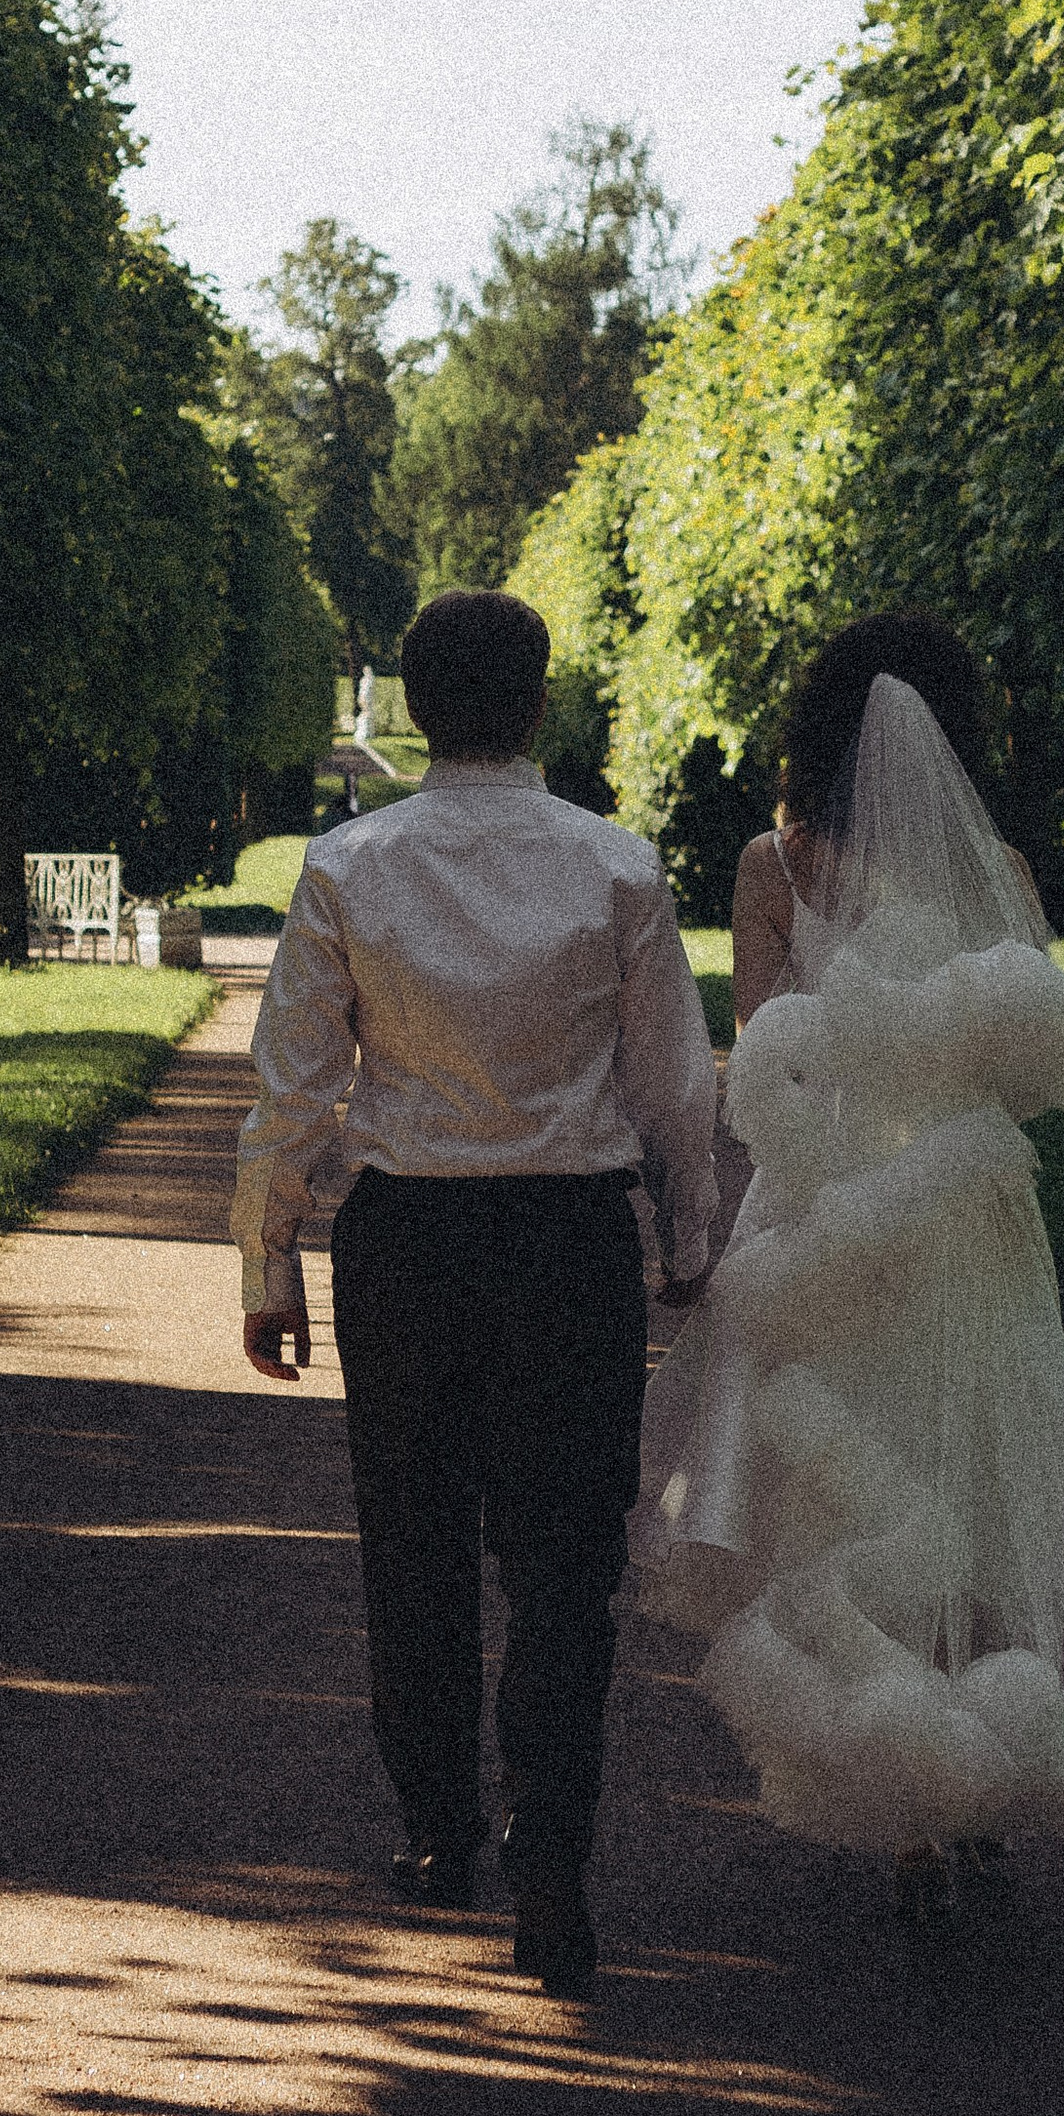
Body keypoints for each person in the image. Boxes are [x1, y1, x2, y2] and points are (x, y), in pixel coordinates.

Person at [237, 585, 719, 1998]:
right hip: (568, 1242)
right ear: (543, 700)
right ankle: (552, 1850)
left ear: (408, 704)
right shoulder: (618, 868)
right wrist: (689, 1232)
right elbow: (673, 1084)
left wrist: (268, 1256)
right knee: (569, 1561)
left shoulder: (348, 867)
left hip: (408, 1244)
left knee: (415, 1542)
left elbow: (295, 1085)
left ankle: (441, 1831)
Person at [635, 613, 1064, 1923]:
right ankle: (986, 1756)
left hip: (821, 1221)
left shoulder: (775, 863)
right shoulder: (1005, 874)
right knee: (977, 1481)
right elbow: (1026, 1059)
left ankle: (903, 1793)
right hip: (961, 1220)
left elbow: (760, 1053)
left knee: (842, 1504)